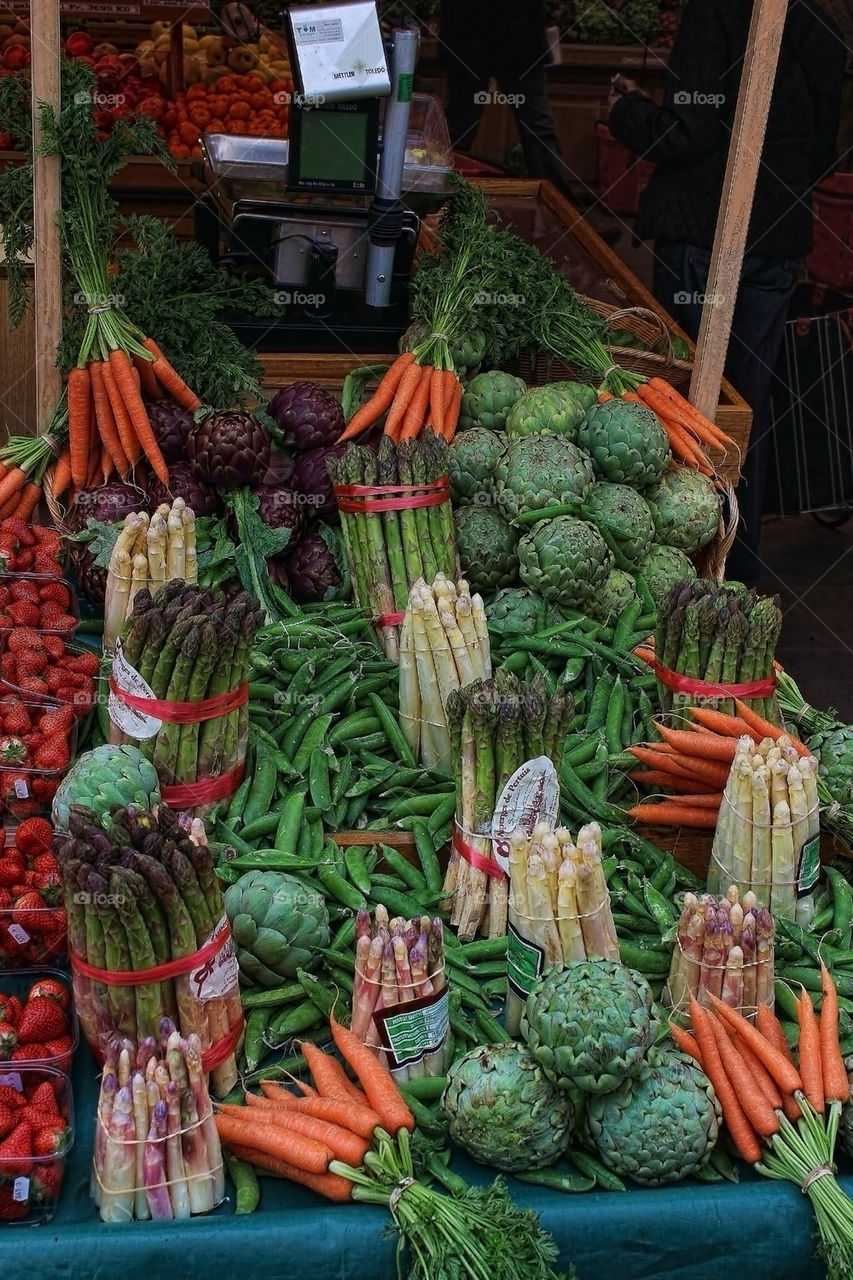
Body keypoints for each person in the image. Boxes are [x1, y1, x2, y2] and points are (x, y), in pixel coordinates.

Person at [607, 0, 845, 581]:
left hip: (709, 236)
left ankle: (685, 568)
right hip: (777, 241)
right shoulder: (820, 23)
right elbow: (820, 152)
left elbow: (690, 133)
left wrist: (626, 110)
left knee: (690, 405)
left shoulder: (717, 11)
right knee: (745, 409)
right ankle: (738, 568)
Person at [439, 0, 571, 193]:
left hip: (512, 36)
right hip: (473, 35)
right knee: (460, 123)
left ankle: (559, 204)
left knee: (536, 126)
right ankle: (437, 193)